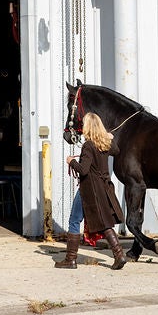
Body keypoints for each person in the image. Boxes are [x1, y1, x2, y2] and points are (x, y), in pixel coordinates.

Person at [56, 113, 127, 270]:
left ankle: (70, 259)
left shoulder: (88, 145)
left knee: (74, 221)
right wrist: (109, 137)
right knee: (104, 222)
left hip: (89, 190)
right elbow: (116, 150)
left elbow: (84, 170)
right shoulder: (103, 143)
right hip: (103, 188)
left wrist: (71, 161)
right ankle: (119, 254)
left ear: (88, 127)